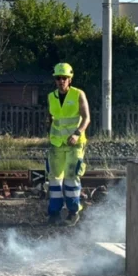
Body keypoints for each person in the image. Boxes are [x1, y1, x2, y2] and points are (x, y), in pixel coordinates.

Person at [46, 62, 91, 225]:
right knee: (54, 179)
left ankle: (73, 212)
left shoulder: (78, 94)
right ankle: (54, 212)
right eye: (58, 78)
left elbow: (86, 118)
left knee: (71, 178)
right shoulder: (51, 97)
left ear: (70, 79)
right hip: (57, 144)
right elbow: (53, 119)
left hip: (74, 144)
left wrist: (77, 134)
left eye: (64, 78)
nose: (61, 81)